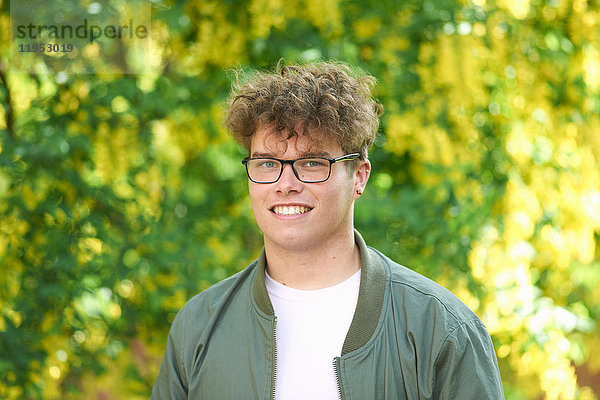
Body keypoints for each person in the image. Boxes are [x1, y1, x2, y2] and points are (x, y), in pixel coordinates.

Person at [150, 61, 504, 399]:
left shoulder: (441, 328)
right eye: (268, 163)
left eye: (312, 163)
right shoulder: (198, 327)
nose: (285, 183)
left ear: (359, 177)